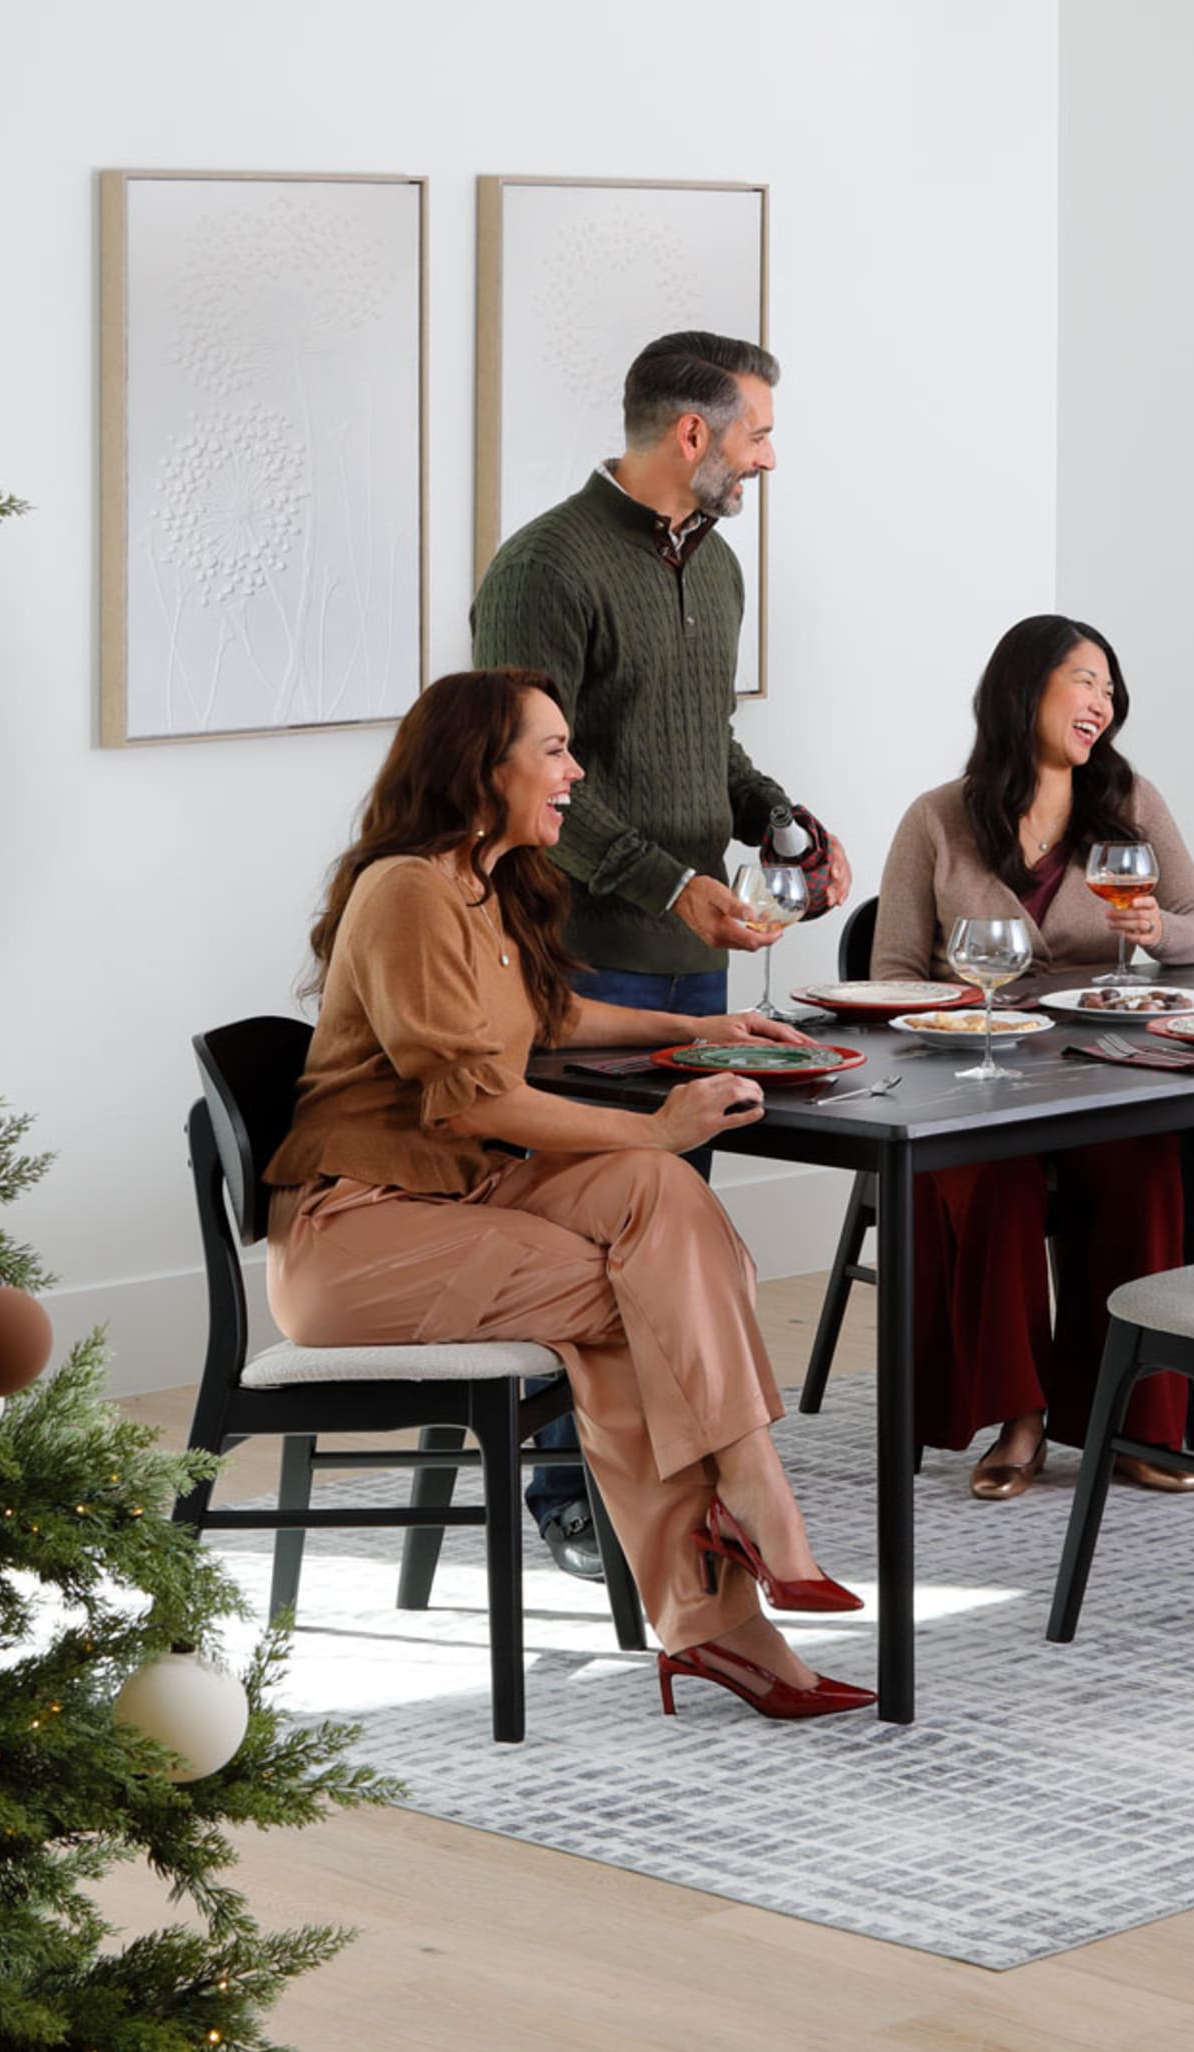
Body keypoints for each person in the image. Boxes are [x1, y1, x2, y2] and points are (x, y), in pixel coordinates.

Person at [263, 669, 873, 1722]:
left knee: (658, 1200)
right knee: (642, 1280)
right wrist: (654, 1123)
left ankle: (744, 1536)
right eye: (552, 750)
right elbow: (468, 1102)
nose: (575, 771)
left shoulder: (479, 880)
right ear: (480, 768)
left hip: (454, 1212)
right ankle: (733, 1577)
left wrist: (705, 1035)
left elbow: (550, 1017)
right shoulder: (406, 889)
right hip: (355, 1240)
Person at [472, 330, 851, 1578]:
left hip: (696, 960)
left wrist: (786, 822)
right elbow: (529, 780)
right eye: (758, 433)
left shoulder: (721, 566)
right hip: (577, 962)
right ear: (693, 435)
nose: (770, 457)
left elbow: (707, 751)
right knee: (573, 1234)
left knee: (674, 1224)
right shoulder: (547, 568)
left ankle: (676, 1489)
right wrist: (671, 884)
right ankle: (564, 1500)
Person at [872, 614, 1194, 1500]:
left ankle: (1135, 1420)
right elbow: (890, 978)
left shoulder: (1131, 803)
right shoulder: (937, 819)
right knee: (995, 1177)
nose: (1103, 702)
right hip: (970, 1077)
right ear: (1024, 688)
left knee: (1146, 1163)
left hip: (1102, 1067)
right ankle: (1019, 1416)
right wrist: (966, 1011)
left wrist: (1159, 929)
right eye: (1084, 680)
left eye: (1110, 687)